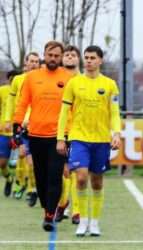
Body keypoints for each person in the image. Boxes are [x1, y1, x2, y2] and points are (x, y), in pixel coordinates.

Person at [57, 45, 121, 237]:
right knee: (81, 177)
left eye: (93, 57)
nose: (89, 60)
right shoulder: (74, 83)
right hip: (78, 138)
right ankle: (82, 220)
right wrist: (61, 138)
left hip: (101, 140)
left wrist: (116, 133)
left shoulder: (110, 85)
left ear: (100, 60)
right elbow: (63, 113)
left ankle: (94, 223)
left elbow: (115, 113)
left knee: (97, 182)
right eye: (87, 57)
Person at [13, 41, 73, 231]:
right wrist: (16, 126)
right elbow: (22, 103)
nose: (53, 58)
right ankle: (47, 208)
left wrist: (69, 134)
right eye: (50, 55)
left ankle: (49, 215)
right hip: (35, 134)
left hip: (59, 137)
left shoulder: (69, 78)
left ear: (61, 57)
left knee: (55, 176)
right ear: (44, 55)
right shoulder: (31, 77)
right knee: (40, 178)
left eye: (56, 55)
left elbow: (74, 108)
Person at [5, 52, 40, 204]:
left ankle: (33, 187)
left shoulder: (42, 79)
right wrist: (8, 119)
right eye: (31, 61)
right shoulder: (18, 80)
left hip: (38, 123)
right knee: (22, 155)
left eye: (36, 61)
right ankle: (24, 185)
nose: (33, 64)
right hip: (21, 124)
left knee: (34, 160)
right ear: (25, 63)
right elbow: (11, 102)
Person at [55, 45, 81, 225]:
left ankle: (76, 211)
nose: (70, 58)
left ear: (78, 58)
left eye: (73, 55)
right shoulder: (55, 79)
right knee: (63, 172)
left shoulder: (84, 80)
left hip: (78, 131)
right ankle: (63, 202)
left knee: (74, 171)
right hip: (57, 130)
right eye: (67, 55)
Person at [0, 70, 20, 197]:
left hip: (19, 132)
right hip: (3, 132)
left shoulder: (24, 91)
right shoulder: (2, 91)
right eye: (11, 79)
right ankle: (8, 178)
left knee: (17, 163)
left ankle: (19, 186)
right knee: (2, 163)